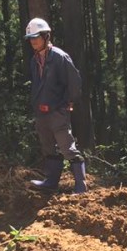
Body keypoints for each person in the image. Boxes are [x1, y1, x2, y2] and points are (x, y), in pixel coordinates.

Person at [24, 18, 86, 194]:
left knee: (67, 147)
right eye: (31, 37)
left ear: (46, 36)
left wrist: (68, 103)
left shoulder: (60, 57)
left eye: (36, 36)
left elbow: (74, 82)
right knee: (48, 147)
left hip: (57, 110)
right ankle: (51, 182)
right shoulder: (34, 60)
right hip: (41, 111)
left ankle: (81, 186)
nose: (33, 41)